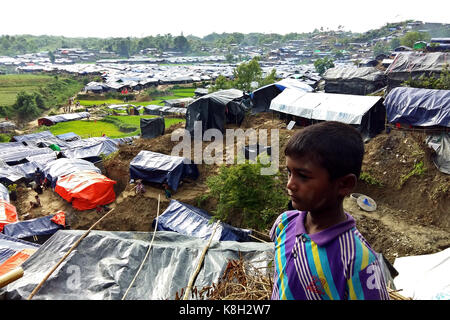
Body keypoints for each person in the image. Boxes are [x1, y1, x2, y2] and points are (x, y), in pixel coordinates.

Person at [270, 121, 389, 300]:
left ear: (344, 184)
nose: (290, 184)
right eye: (289, 172)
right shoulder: (284, 224)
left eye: (303, 176)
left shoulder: (358, 261)